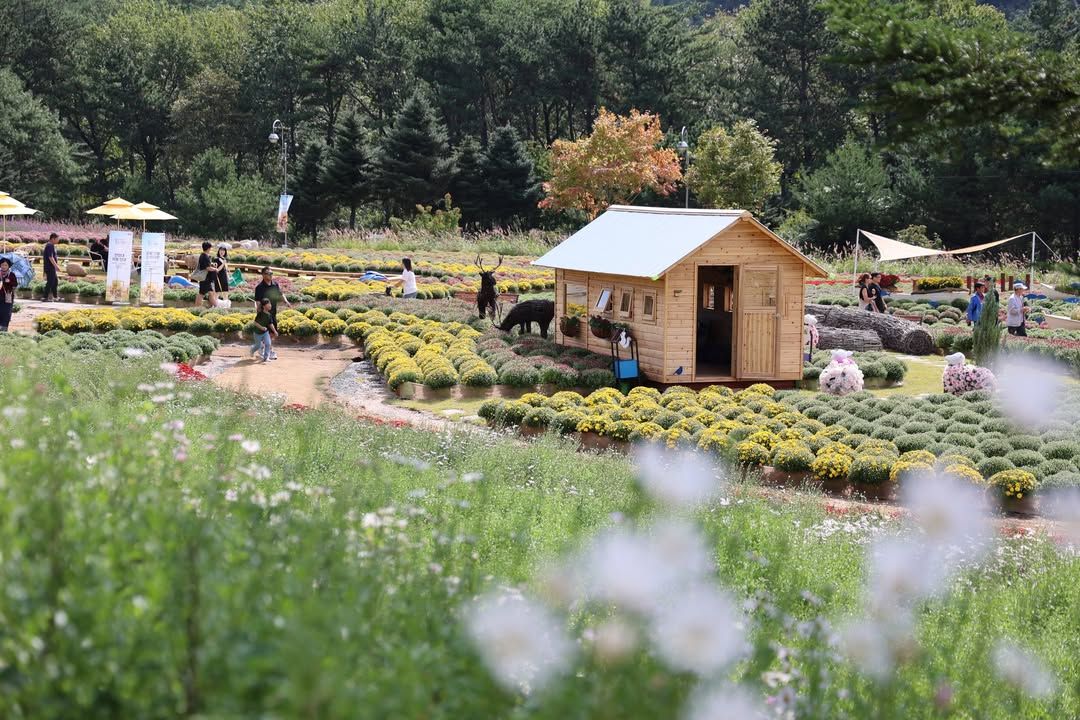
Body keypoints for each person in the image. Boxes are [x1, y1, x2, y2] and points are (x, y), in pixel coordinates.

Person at [253, 267, 291, 359]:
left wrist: (286, 301)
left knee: (273, 333)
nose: (270, 275)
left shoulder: (275, 284)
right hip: (264, 314)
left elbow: (281, 294)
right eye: (268, 273)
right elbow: (257, 301)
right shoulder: (259, 287)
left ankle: (263, 346)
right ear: (263, 275)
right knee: (268, 331)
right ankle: (269, 350)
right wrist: (258, 310)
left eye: (271, 273)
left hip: (273, 312)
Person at [250, 298, 277, 362]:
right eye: (268, 304)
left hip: (265, 332)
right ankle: (252, 350)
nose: (270, 305)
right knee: (257, 346)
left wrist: (275, 331)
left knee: (268, 343)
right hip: (257, 333)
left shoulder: (269, 315)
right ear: (264, 306)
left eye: (270, 304)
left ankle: (266, 357)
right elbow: (255, 323)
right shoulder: (260, 314)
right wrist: (261, 327)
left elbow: (270, 324)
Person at [195, 241, 216, 308]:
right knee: (201, 294)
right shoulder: (204, 257)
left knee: (211, 293)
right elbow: (207, 268)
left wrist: (212, 264)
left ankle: (215, 306)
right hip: (205, 278)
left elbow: (206, 265)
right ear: (208, 248)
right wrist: (215, 269)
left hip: (206, 278)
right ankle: (196, 307)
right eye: (210, 248)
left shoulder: (203, 256)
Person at [42, 233, 60, 301]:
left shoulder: (50, 245)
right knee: (50, 282)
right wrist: (56, 266)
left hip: (50, 267)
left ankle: (55, 297)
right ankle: (45, 297)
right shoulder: (50, 245)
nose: (58, 241)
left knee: (55, 281)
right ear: (53, 239)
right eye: (57, 239)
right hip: (50, 267)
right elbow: (50, 257)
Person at [0, 258, 17, 331]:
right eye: (2, 265)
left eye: (6, 265)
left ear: (8, 266)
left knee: (6, 313)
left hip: (7, 297)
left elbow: (15, 285)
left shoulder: (11, 274)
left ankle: (3, 330)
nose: (4, 266)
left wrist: (9, 281)